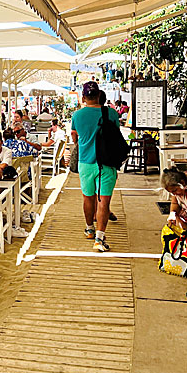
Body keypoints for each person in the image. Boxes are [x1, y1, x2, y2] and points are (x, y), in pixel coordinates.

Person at [71, 81, 120, 252]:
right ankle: (100, 237)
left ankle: (89, 228)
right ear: (99, 95)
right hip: (106, 163)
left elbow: (74, 137)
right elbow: (115, 136)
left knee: (88, 198)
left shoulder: (77, 116)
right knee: (103, 201)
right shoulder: (111, 113)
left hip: (85, 162)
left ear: (83, 97)